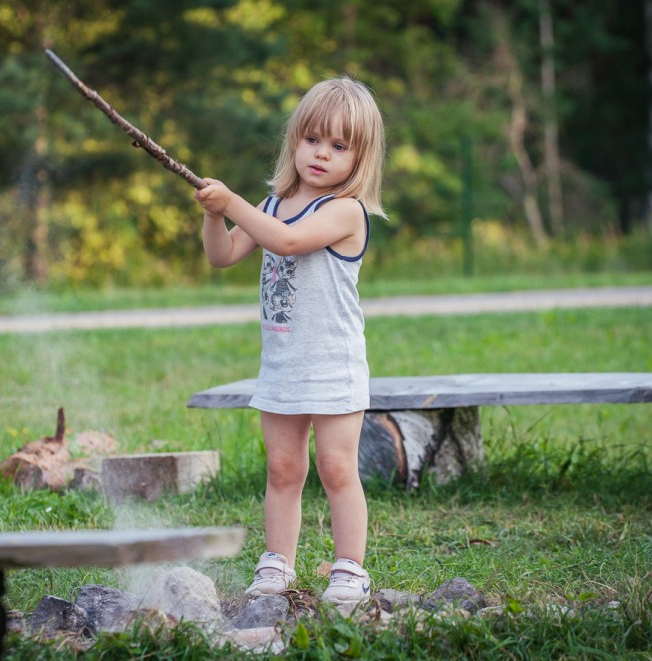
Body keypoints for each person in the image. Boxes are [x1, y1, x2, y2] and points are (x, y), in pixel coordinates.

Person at [194, 76, 386, 606]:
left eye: (339, 146)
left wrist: (232, 201)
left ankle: (350, 569)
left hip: (333, 362)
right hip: (282, 363)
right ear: (294, 140)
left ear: (359, 157)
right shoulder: (272, 203)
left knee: (336, 466)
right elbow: (223, 255)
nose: (321, 154)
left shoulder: (345, 211)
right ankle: (277, 563)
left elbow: (290, 241)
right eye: (312, 140)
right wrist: (216, 215)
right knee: (283, 468)